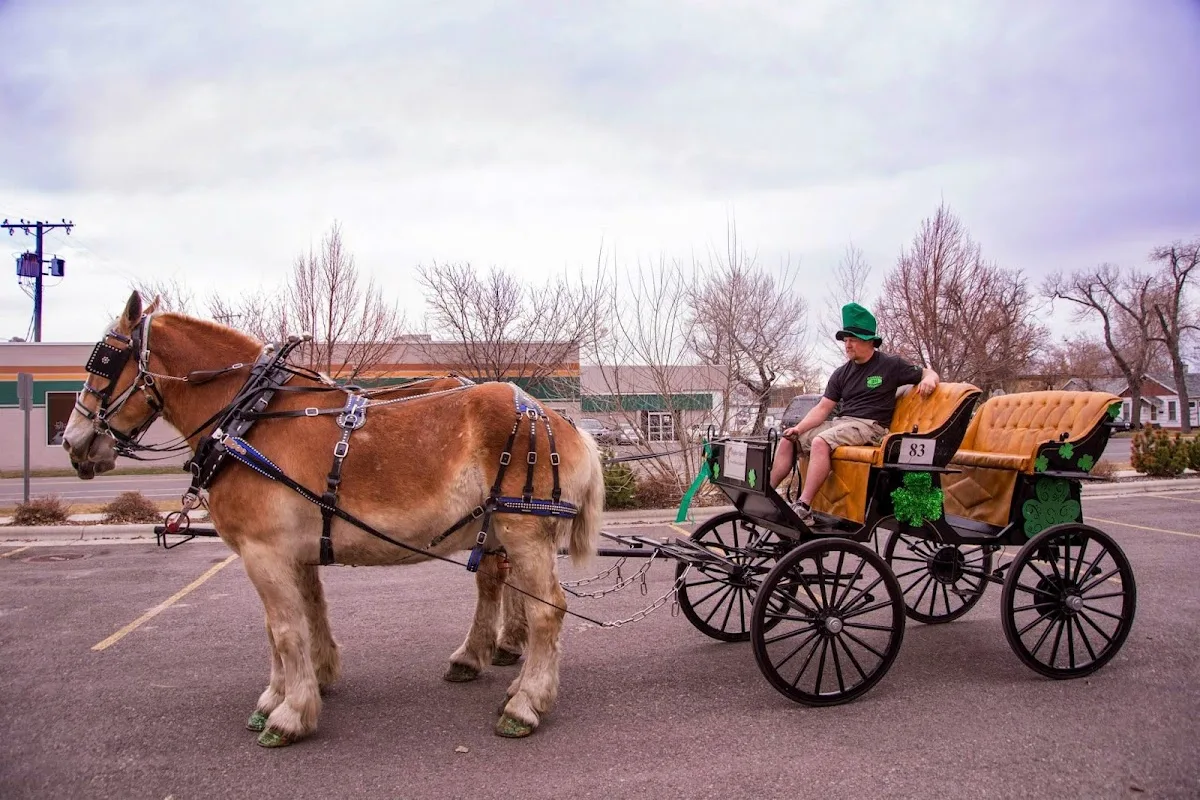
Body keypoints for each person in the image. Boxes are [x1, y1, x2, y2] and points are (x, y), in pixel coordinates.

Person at [770, 303, 939, 523]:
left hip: (872, 426)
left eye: (853, 340)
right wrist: (798, 429)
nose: (847, 345)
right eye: (845, 340)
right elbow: (823, 408)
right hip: (844, 424)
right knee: (788, 440)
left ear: (869, 340)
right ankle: (769, 495)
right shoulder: (841, 373)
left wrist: (929, 379)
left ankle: (803, 506)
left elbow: (927, 372)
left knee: (821, 441)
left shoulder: (890, 365)